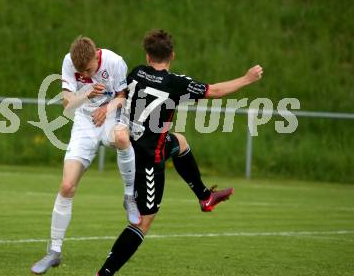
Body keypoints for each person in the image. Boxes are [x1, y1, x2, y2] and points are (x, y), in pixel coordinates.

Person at [95, 29, 263, 275]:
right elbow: (214, 91)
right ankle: (105, 272)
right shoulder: (176, 84)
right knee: (143, 221)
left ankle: (205, 196)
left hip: (133, 144)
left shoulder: (137, 72)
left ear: (147, 55)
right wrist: (247, 78)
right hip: (148, 160)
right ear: (172, 55)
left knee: (180, 142)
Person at [31, 36, 140, 275]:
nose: (86, 74)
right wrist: (87, 95)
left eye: (89, 70)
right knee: (67, 186)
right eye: (82, 72)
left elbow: (123, 97)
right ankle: (54, 252)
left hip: (111, 114)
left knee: (122, 139)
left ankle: (130, 195)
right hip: (84, 120)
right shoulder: (69, 62)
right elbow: (68, 105)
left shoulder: (114, 61)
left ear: (96, 56)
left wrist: (105, 108)